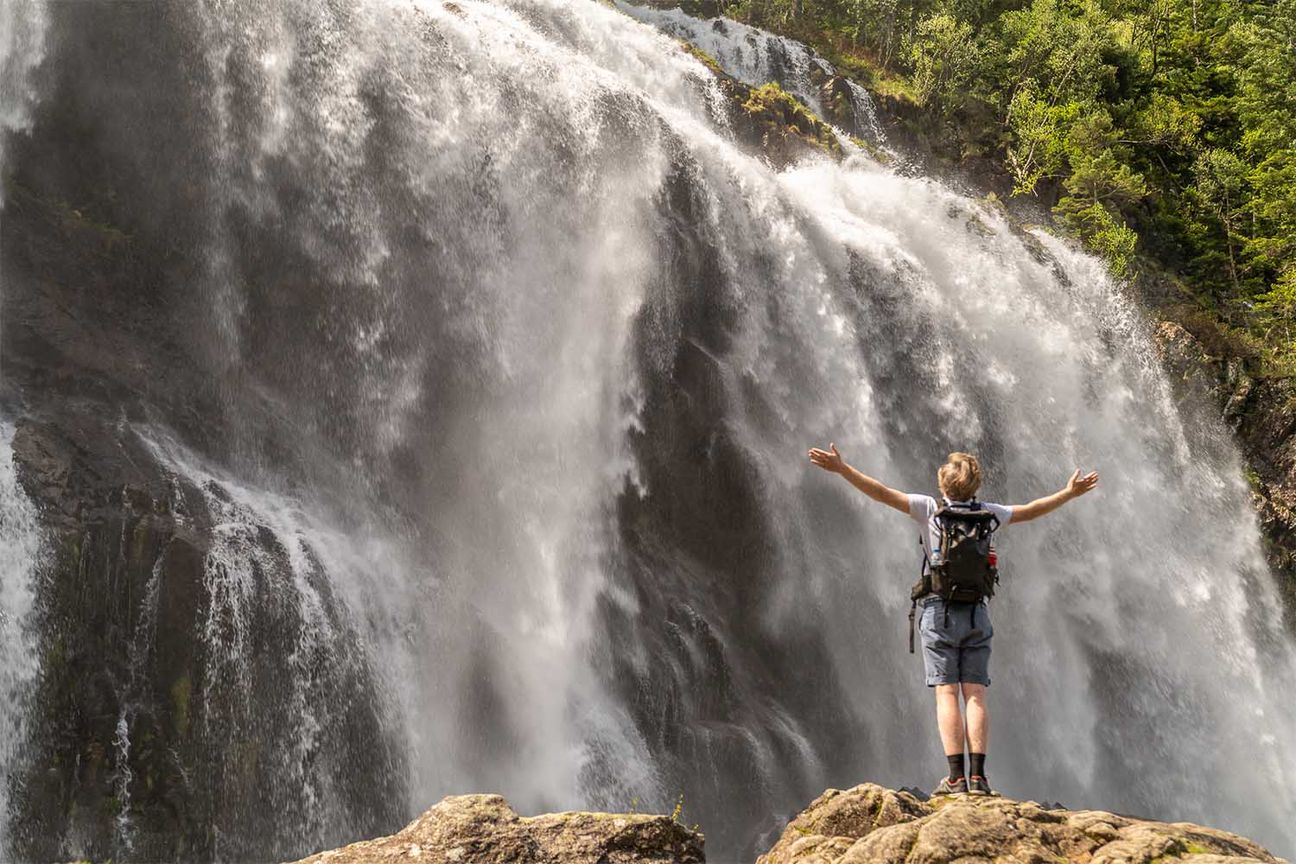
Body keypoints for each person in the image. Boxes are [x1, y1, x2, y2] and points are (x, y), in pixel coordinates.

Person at [806, 445, 1098, 797]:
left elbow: (880, 492)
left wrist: (842, 468)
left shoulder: (929, 509)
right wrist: (1069, 492)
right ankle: (979, 778)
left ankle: (955, 779)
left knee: (946, 693)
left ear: (943, 485)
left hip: (938, 611)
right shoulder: (990, 514)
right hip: (977, 611)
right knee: (975, 694)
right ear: (975, 487)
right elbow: (1031, 511)